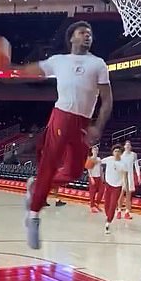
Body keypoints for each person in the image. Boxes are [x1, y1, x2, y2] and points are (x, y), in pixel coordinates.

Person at [17, 20, 113, 249]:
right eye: (82, 32)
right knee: (49, 164)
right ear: (72, 38)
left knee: (74, 171)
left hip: (83, 121)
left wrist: (98, 126)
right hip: (62, 114)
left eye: (90, 33)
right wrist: (10, 70)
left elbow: (107, 99)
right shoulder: (58, 61)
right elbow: (31, 70)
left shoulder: (99, 64)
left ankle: (36, 184)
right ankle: (33, 216)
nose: (87, 36)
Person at [101, 144, 127, 234]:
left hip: (117, 187)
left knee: (113, 205)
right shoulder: (108, 159)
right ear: (113, 152)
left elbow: (125, 175)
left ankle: (108, 222)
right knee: (106, 204)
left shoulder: (123, 164)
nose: (116, 153)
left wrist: (124, 185)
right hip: (108, 185)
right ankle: (108, 216)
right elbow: (98, 162)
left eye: (118, 151)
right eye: (115, 151)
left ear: (121, 153)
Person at [117, 140, 140, 219]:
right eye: (126, 145)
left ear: (130, 147)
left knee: (128, 195)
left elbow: (136, 166)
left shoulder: (134, 155)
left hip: (130, 176)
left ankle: (127, 212)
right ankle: (119, 211)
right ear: (124, 147)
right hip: (122, 176)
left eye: (129, 145)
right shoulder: (121, 155)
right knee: (121, 194)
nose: (127, 146)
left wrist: (138, 176)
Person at [87, 145, 104, 213]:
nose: (95, 151)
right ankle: (92, 206)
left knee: (101, 190)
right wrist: (91, 178)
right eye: (94, 150)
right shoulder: (90, 159)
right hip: (93, 177)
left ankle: (96, 203)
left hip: (99, 177)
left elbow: (101, 168)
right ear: (92, 151)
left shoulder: (99, 159)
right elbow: (89, 169)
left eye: (96, 150)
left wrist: (102, 176)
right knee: (92, 192)